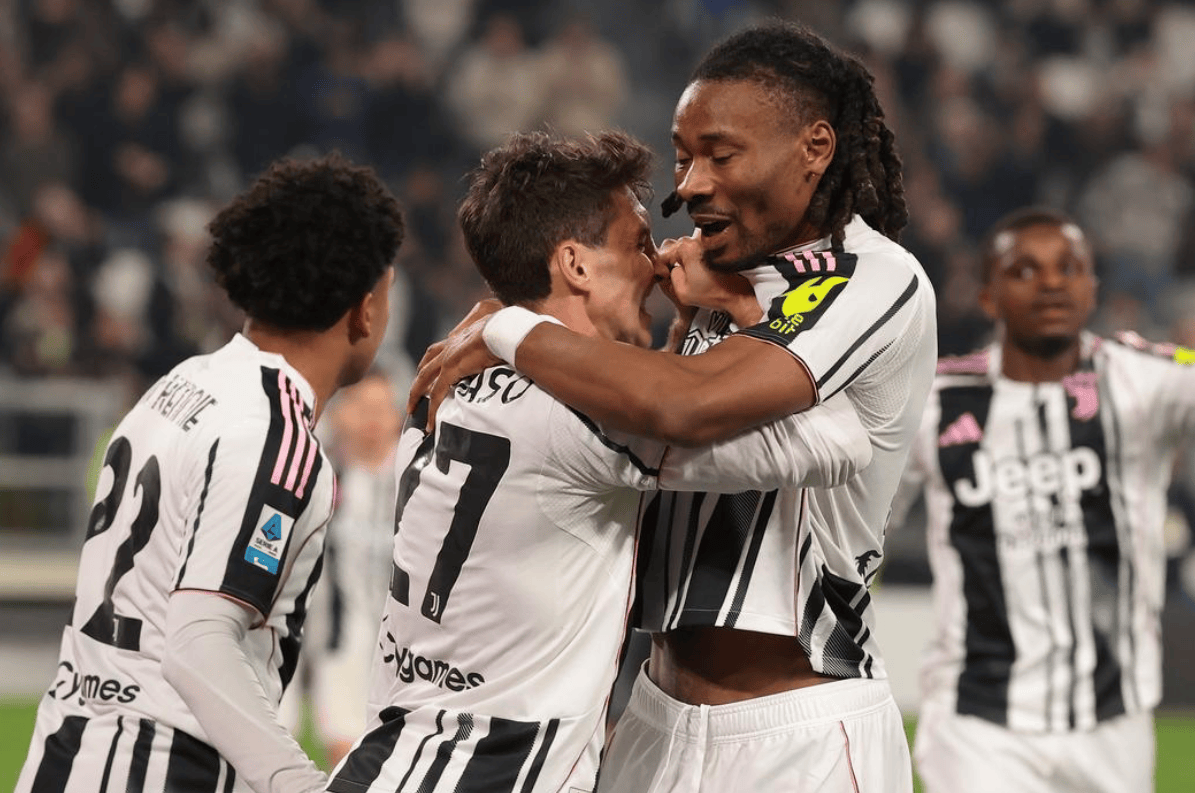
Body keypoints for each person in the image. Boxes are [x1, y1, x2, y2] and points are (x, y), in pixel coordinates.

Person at [410, 20, 937, 792]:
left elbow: (686, 408)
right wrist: (687, 325)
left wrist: (508, 327)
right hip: (654, 712)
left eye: (719, 155)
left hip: (797, 732)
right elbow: (645, 451)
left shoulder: (870, 277)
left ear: (814, 147)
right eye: (684, 156)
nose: (687, 184)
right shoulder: (719, 273)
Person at [327, 129, 875, 793]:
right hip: (491, 776)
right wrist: (738, 305)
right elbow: (837, 441)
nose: (658, 264)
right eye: (637, 243)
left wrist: (675, 334)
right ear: (576, 265)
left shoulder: (444, 387)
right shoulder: (585, 418)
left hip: (391, 760)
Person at [15, 152, 405, 793]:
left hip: (66, 752)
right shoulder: (278, 438)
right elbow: (200, 641)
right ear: (364, 311)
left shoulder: (181, 385)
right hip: (159, 766)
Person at [888, 206, 1192, 793]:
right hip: (977, 723)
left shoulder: (1142, 375)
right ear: (987, 297)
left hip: (1114, 719)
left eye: (1069, 267)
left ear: (1092, 287)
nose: (1052, 282)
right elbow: (864, 524)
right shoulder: (937, 400)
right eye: (1025, 270)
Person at [287, 369, 404, 767]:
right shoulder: (314, 476)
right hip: (323, 631)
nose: (373, 420)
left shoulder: (420, 483)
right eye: (361, 407)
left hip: (390, 642)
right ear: (338, 414)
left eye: (383, 408)